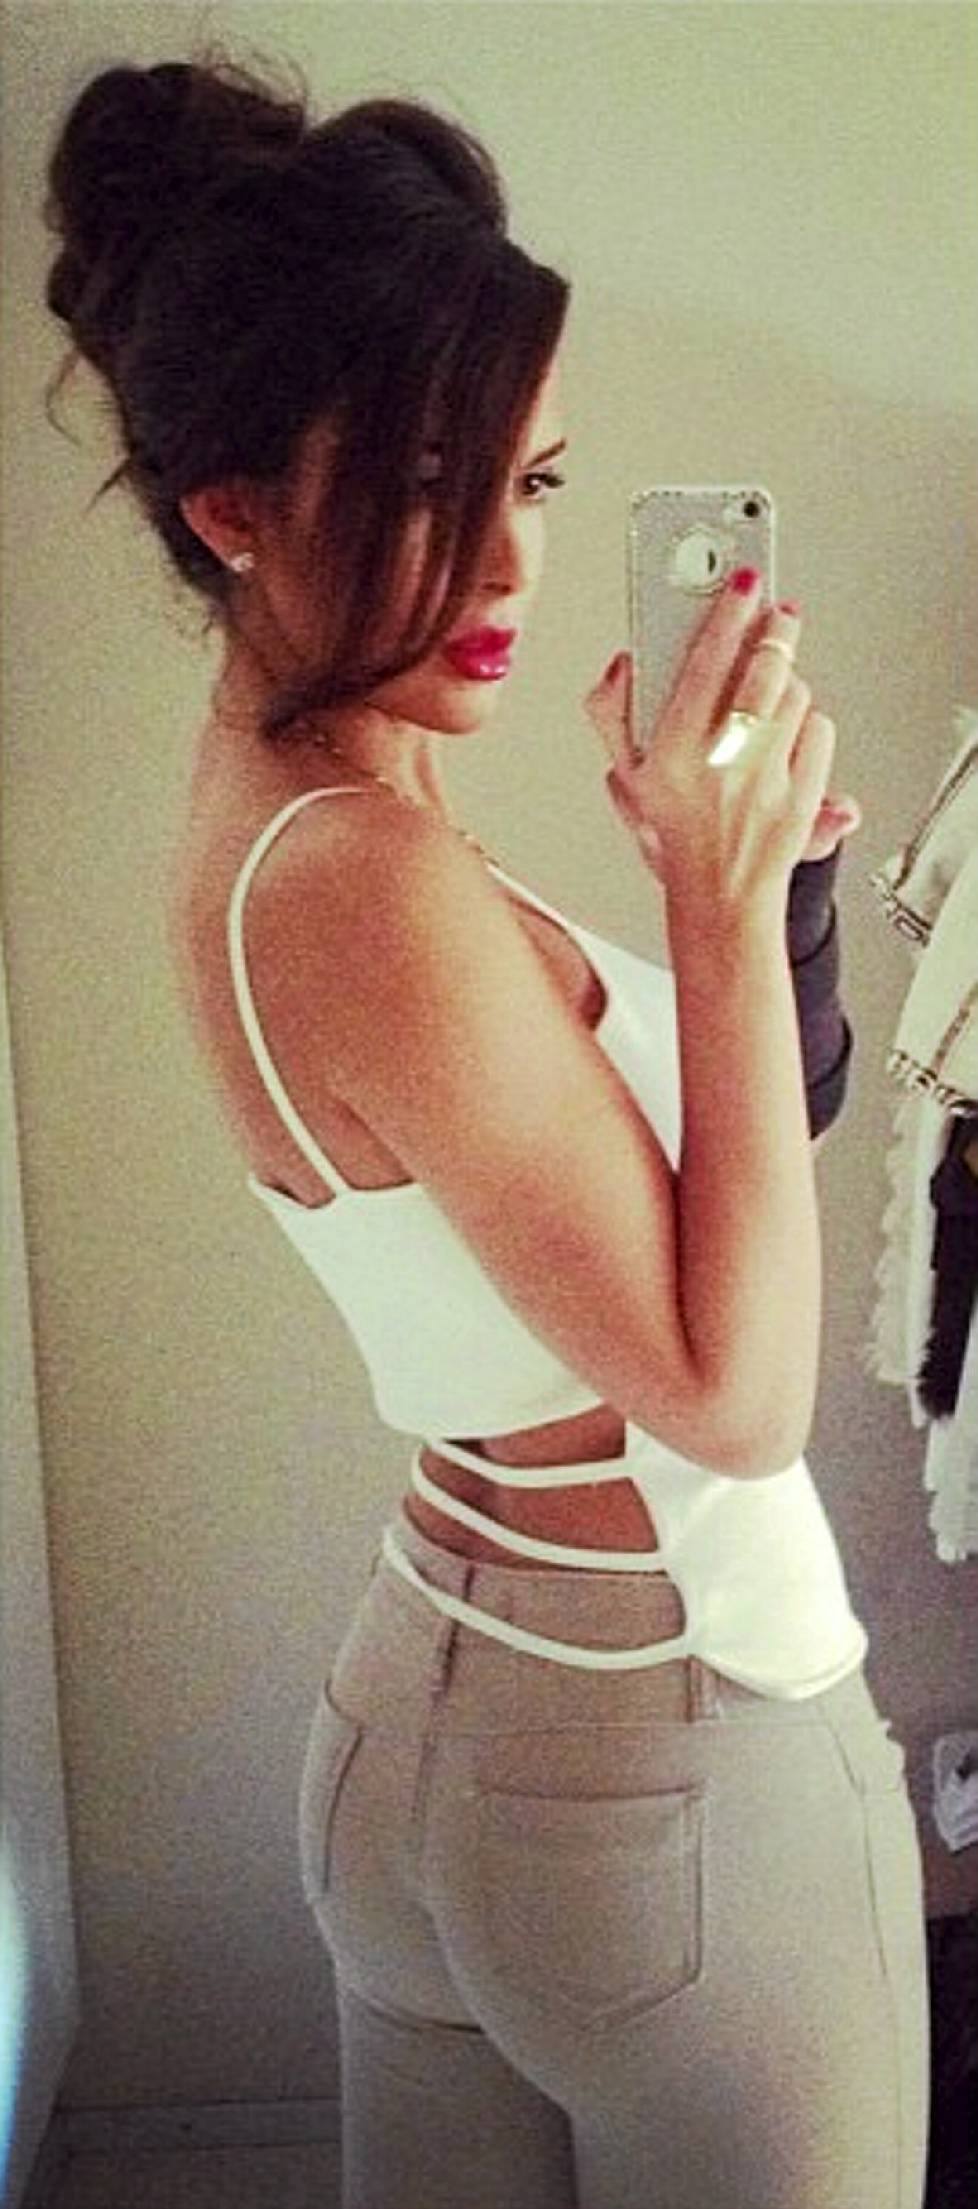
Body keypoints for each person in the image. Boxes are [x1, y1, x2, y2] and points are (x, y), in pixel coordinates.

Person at [43, 51, 929, 2209]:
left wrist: (766, 907)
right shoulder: (358, 876)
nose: (510, 556)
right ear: (235, 508)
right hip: (663, 1755)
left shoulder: (304, 821)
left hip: (439, 1722)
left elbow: (694, 1192)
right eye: (432, 479)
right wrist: (705, 908)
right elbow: (731, 1393)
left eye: (534, 477)